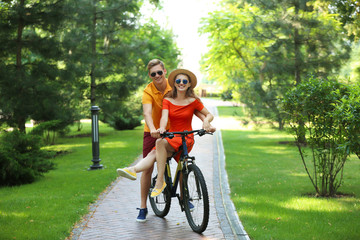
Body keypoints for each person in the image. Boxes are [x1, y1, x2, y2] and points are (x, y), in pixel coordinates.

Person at [120, 59, 213, 222]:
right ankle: (143, 206)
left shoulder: (175, 87)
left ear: (165, 72)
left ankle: (185, 197)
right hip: (155, 131)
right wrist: (156, 129)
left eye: (159, 72)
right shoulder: (148, 91)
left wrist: (206, 123)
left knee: (182, 162)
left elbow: (197, 111)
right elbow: (148, 114)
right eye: (153, 74)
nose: (157, 76)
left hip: (178, 133)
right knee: (149, 166)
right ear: (150, 75)